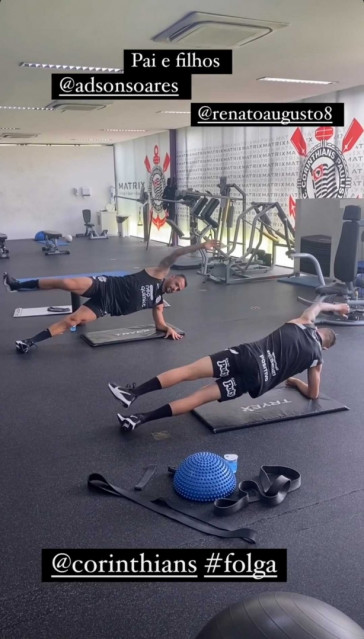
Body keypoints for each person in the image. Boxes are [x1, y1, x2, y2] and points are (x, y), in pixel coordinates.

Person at [107, 300, 350, 432]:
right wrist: (296, 381)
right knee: (199, 398)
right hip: (255, 381)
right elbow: (314, 394)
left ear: (317, 329)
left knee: (187, 372)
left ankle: (133, 393)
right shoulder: (317, 360)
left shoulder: (304, 322)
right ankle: (139, 419)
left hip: (245, 356)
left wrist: (338, 307)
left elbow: (318, 304)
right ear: (325, 346)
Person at [3, 240, 218, 353]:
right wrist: (201, 246)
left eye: (179, 290)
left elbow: (160, 324)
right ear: (171, 277)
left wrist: (168, 328)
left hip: (106, 306)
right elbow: (175, 254)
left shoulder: (158, 303)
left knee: (72, 321)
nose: (176, 289)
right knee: (67, 283)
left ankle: (29, 342)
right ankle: (17, 284)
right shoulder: (158, 273)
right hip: (105, 286)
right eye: (177, 284)